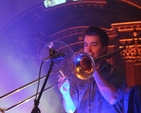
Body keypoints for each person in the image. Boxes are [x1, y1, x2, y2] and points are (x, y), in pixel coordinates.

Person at [58, 26, 126, 113]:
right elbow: (70, 109)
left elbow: (112, 98)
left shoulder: (116, 72)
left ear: (104, 48)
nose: (88, 50)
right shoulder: (77, 76)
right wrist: (66, 94)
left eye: (94, 45)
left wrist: (93, 69)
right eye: (86, 45)